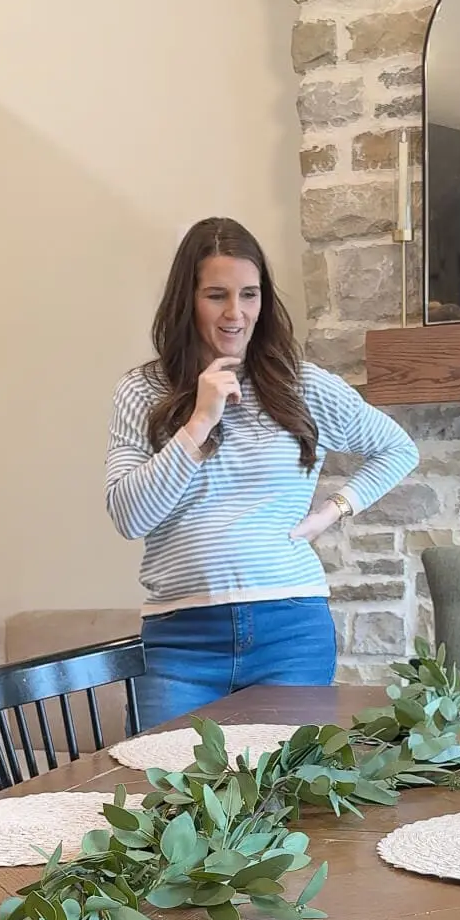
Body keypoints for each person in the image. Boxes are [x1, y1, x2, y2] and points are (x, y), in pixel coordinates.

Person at [105, 217, 419, 728]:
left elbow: (397, 448)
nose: (236, 313)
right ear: (186, 300)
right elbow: (129, 516)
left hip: (290, 631)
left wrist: (332, 511)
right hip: (180, 641)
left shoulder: (302, 386)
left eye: (249, 295)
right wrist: (199, 422)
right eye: (216, 295)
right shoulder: (142, 392)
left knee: (288, 800)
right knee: (163, 798)